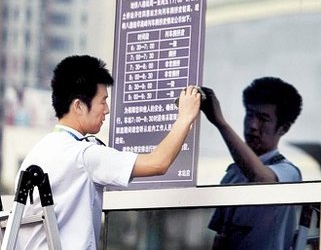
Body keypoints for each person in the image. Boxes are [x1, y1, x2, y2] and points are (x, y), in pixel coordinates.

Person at [13, 55, 202, 250]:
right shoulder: (83, 154)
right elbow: (157, 163)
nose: (108, 110)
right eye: (102, 101)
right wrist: (185, 116)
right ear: (79, 106)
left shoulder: (39, 152)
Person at [201, 77, 303, 250]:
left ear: (283, 128)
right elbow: (220, 237)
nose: (253, 125)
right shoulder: (233, 174)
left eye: (263, 119)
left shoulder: (288, 172)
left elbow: (262, 179)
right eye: (249, 115)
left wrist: (220, 123)